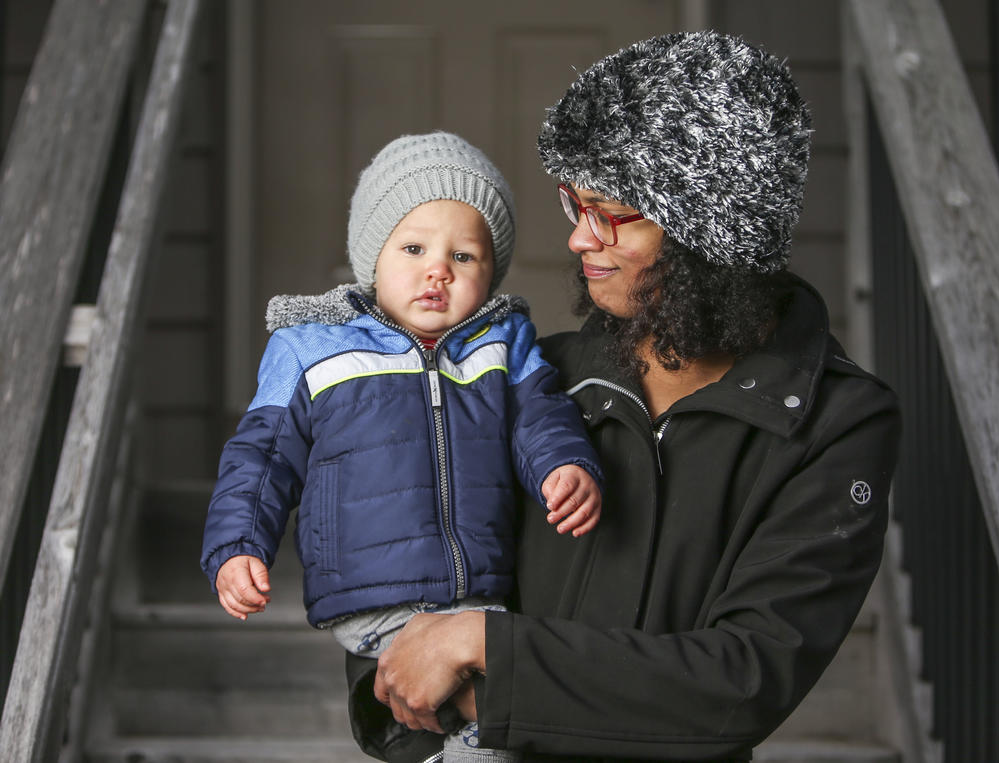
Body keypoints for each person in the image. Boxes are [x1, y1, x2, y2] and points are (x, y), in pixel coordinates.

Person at [354, 32, 902, 762]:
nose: (581, 239)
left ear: (714, 231)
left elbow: (738, 682)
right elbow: (402, 582)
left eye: (611, 212)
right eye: (574, 205)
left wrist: (488, 649)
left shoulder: (837, 424)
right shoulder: (534, 375)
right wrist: (420, 697)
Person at [200, 132, 604, 762]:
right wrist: (238, 545)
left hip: (481, 587)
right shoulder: (313, 348)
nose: (437, 269)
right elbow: (262, 456)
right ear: (373, 255)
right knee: (495, 716)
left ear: (492, 272)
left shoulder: (502, 342)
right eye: (413, 247)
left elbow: (540, 416)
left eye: (465, 257)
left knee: (469, 724)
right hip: (375, 591)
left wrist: (566, 464)